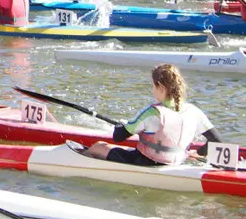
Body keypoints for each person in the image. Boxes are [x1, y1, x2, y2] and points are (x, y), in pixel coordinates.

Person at [85, 64, 222, 166]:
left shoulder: (153, 112)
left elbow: (118, 137)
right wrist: (199, 153)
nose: (152, 91)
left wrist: (121, 126)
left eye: (153, 86)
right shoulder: (194, 111)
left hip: (145, 162)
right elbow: (216, 141)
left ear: (161, 87)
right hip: (177, 162)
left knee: (98, 146)